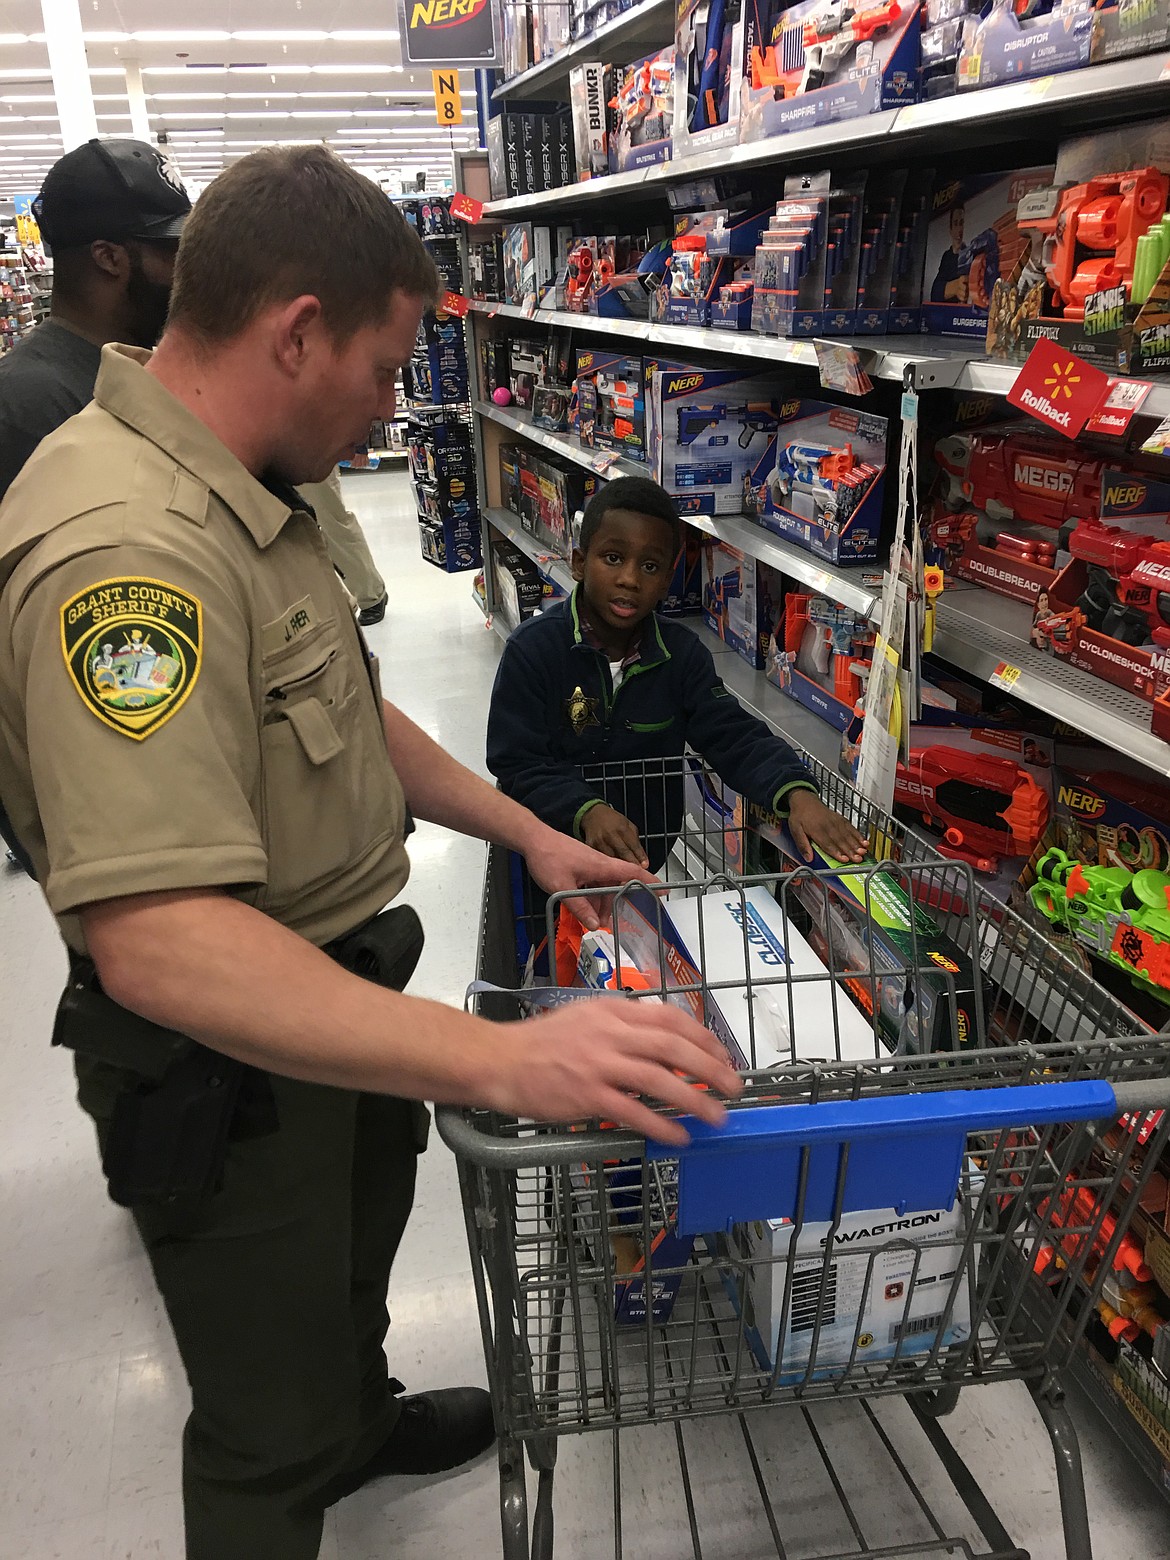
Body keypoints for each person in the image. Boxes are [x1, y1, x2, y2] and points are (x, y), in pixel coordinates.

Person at [0, 148, 739, 1560]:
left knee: (341, 1284)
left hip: (336, 1000)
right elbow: (157, 936)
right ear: (296, 329)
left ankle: (356, 1417)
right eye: (387, 368)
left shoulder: (246, 480)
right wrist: (507, 1059)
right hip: (232, 1057)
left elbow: (341, 699)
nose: (395, 406)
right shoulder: (127, 553)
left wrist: (527, 829)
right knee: (256, 1427)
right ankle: (304, 1454)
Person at [486, 476, 869, 871]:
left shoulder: (680, 657)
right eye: (613, 558)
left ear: (667, 580)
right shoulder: (532, 652)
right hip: (549, 857)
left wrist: (797, 793)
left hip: (642, 857)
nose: (629, 579)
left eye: (649, 566)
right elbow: (517, 762)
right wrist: (585, 810)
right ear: (580, 562)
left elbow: (732, 734)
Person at [0, 137, 191, 505]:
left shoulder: (125, 372)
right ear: (109, 258)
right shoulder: (26, 409)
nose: (185, 274)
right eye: (173, 254)